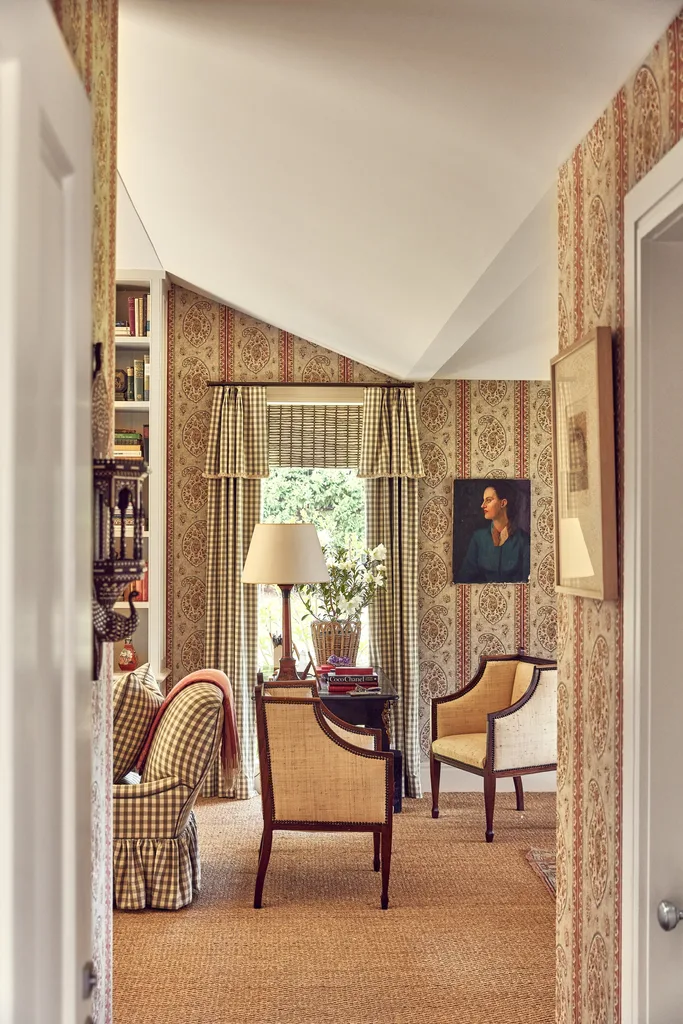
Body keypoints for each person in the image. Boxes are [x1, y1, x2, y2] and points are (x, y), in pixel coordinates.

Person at [456, 481, 530, 584]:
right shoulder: (478, 538)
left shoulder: (524, 540)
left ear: (503, 503)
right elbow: (463, 579)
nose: (482, 505)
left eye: (488, 500)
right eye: (483, 501)